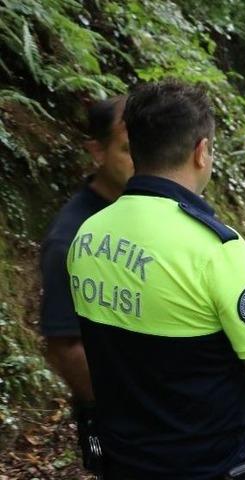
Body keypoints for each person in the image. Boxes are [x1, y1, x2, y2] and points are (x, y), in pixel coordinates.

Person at [67, 80, 245, 479]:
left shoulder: (88, 235)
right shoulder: (216, 249)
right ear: (201, 152)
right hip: (210, 466)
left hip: (126, 463)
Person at [39, 95, 133, 471]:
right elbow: (65, 346)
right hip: (122, 423)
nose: (143, 160)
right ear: (97, 152)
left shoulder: (148, 209)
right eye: (128, 149)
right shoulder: (71, 238)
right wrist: (125, 404)